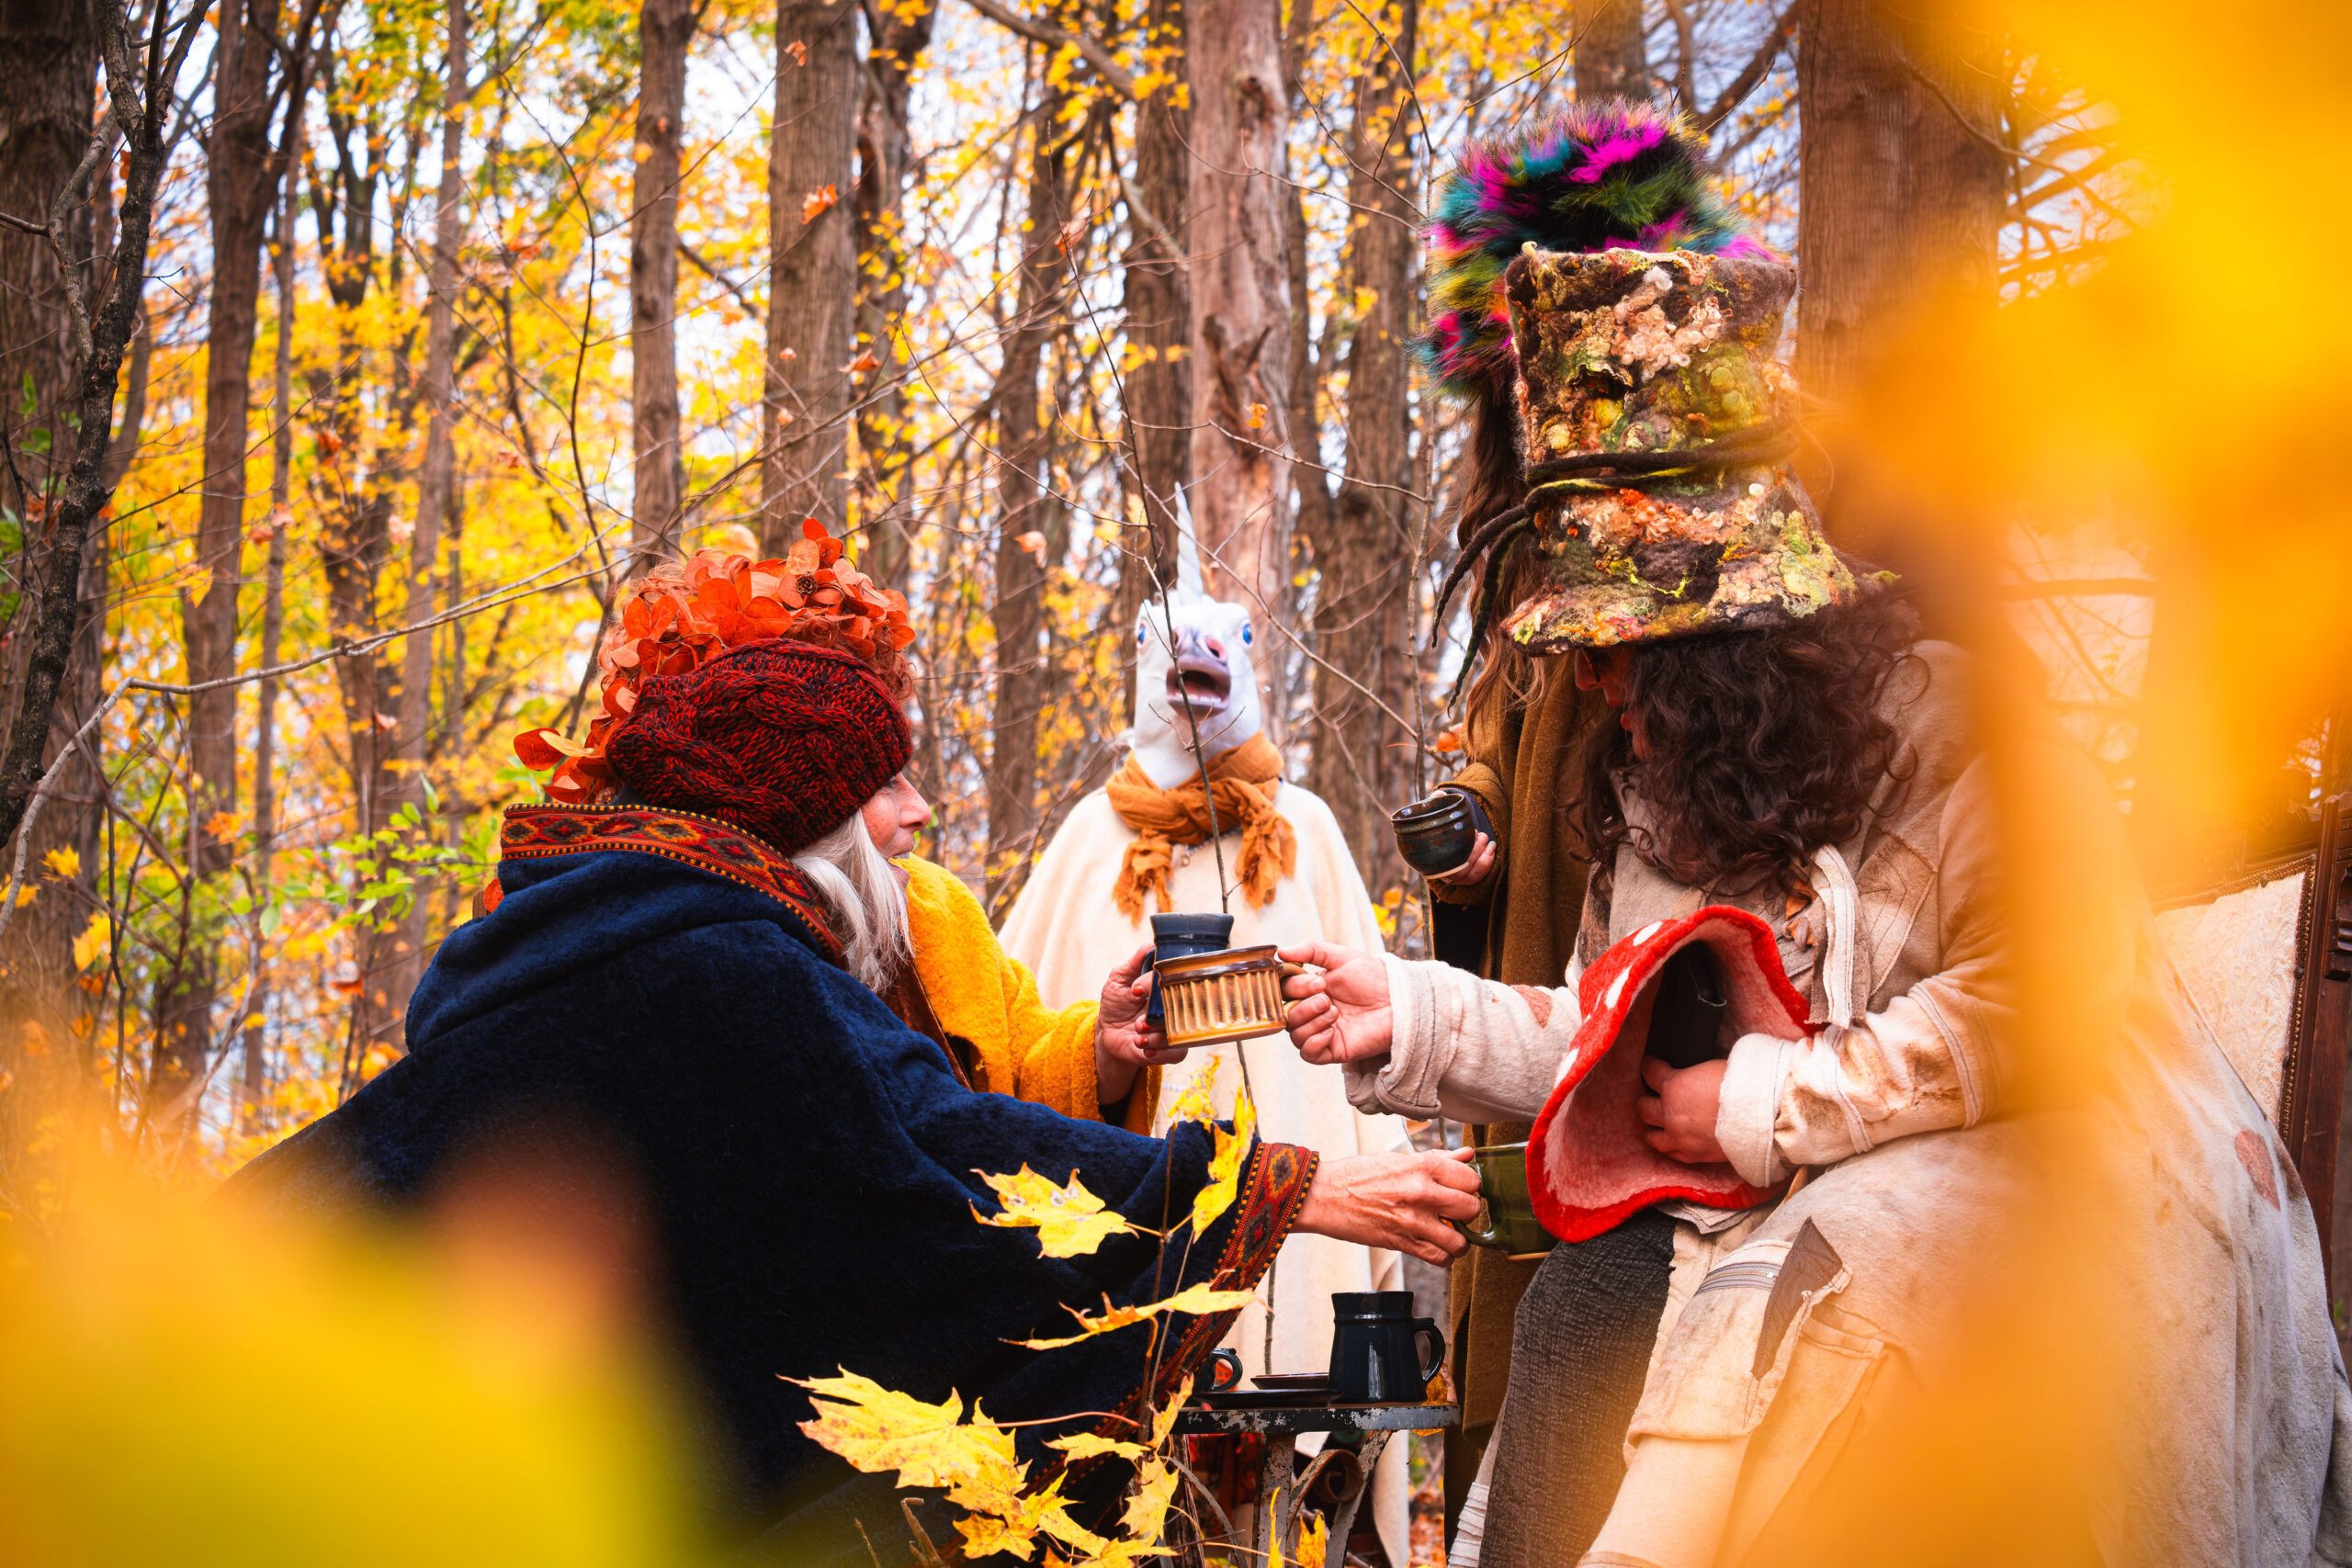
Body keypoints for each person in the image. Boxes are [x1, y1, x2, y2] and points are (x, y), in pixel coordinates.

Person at [1276, 107, 2351, 1568]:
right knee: (1585, 1321)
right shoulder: (1655, 772)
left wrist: (1774, 1099)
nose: (1593, 684)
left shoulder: (1952, 722)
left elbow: (2056, 998)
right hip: (1756, 1212)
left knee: (1815, 1324)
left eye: (1628, 645)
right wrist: (1404, 1008)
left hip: (2037, 1173)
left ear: (1730, 641)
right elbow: (1614, 1026)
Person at [228, 531, 1483, 1563]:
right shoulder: (721, 966)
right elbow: (935, 1144)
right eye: (883, 791)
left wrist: (1108, 1057)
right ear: (809, 820)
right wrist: (1282, 1187)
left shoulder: (599, 924)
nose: (922, 813)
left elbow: (928, 1108)